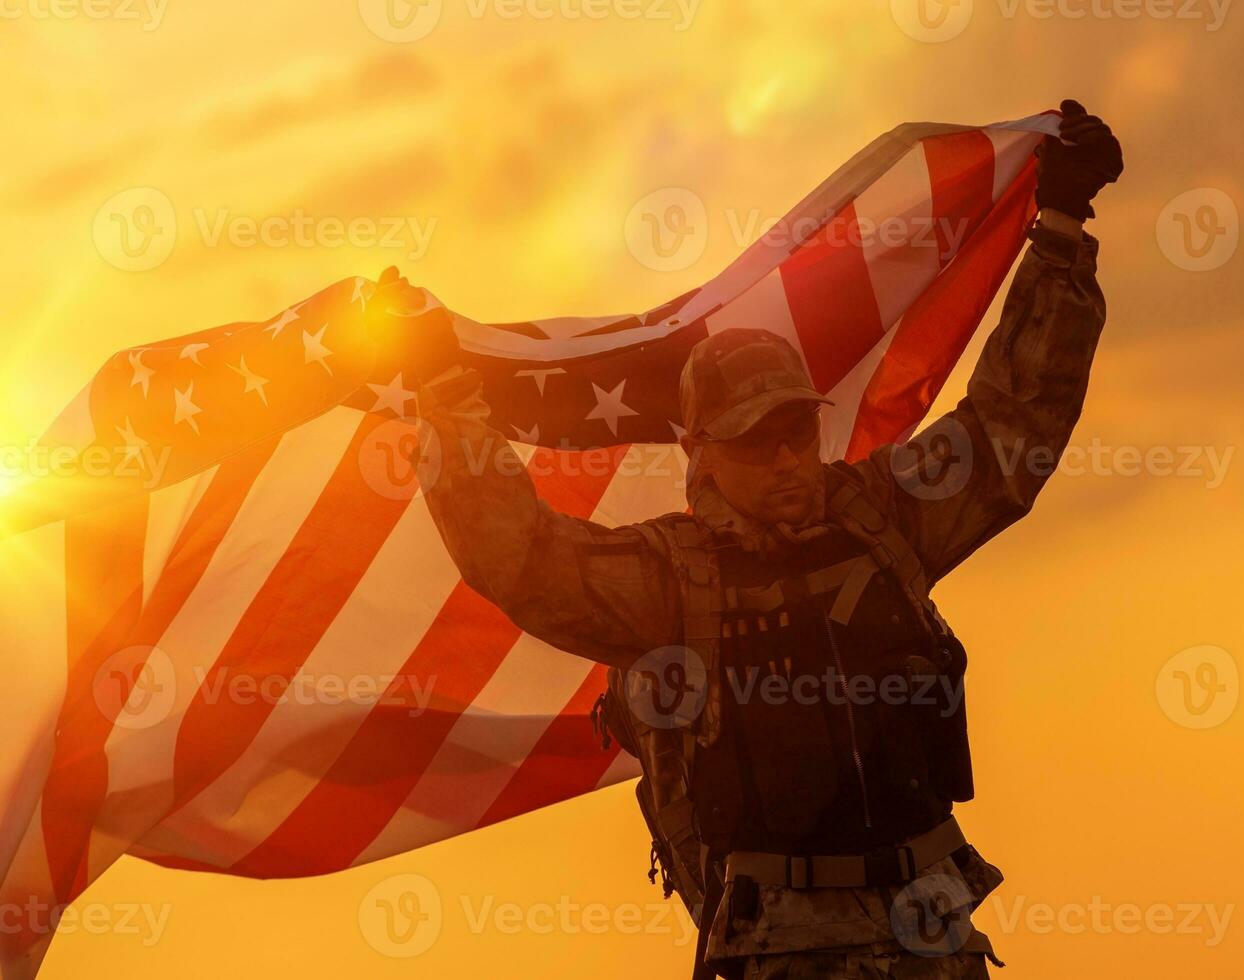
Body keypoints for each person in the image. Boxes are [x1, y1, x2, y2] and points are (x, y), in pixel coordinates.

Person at [405, 100, 1122, 979]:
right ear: (703, 454)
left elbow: (1014, 427)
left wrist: (1059, 232)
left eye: (796, 432)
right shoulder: (671, 579)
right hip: (784, 949)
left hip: (933, 924)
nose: (786, 459)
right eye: (754, 441)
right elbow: (520, 558)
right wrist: (445, 398)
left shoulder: (884, 518)